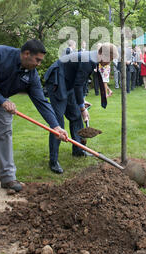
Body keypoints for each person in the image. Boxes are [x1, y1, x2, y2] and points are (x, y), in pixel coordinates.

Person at [0, 40, 67, 196]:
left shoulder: (31, 75)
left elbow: (42, 102)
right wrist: (2, 101)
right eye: (37, 60)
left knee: (4, 134)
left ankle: (7, 177)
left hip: (2, 98)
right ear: (26, 54)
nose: (39, 64)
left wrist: (56, 126)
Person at [44, 43, 118, 173]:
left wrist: (82, 101)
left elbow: (81, 82)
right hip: (57, 80)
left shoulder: (93, 59)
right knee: (58, 122)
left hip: (69, 83)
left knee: (75, 117)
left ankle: (78, 150)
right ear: (102, 54)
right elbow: (78, 85)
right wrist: (83, 109)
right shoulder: (88, 60)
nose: (109, 63)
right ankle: (53, 160)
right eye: (109, 59)